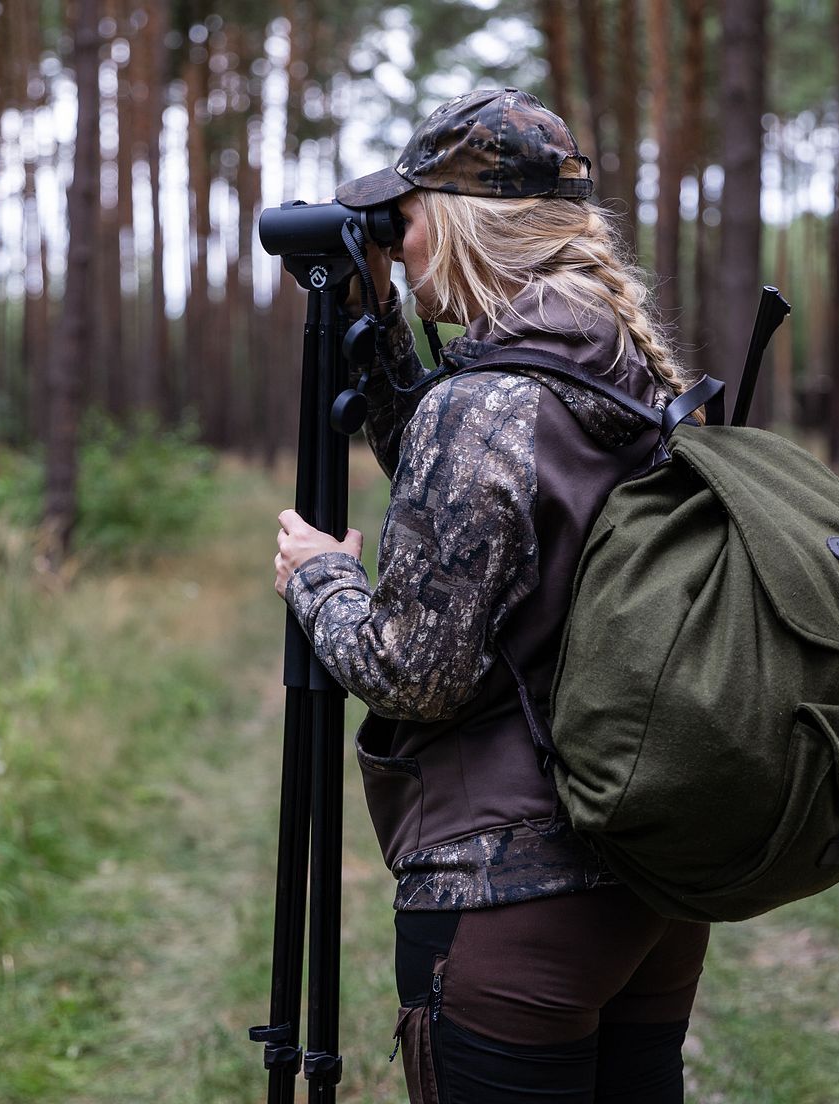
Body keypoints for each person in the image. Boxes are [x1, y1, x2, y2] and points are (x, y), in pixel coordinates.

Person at [274, 88, 711, 1103]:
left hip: (508, 897)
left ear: (462, 220)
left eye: (405, 214)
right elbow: (474, 506)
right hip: (647, 880)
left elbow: (414, 675)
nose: (400, 238)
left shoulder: (485, 408)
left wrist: (320, 576)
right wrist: (377, 319)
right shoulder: (631, 371)